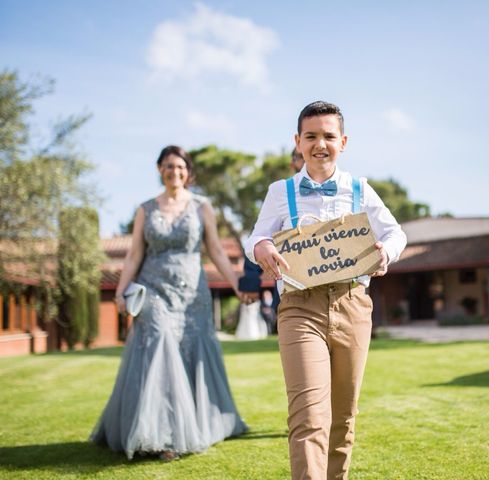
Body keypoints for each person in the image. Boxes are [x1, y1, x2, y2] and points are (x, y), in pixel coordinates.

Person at [245, 102, 407, 479]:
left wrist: (387, 253)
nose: (320, 144)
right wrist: (262, 248)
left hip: (352, 305)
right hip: (300, 309)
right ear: (298, 142)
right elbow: (257, 236)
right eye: (311, 136)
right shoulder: (279, 191)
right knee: (308, 417)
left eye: (329, 136)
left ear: (343, 142)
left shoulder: (360, 189)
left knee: (343, 417)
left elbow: (395, 233)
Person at [90, 145, 247, 461]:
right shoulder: (145, 209)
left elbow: (215, 250)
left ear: (188, 172)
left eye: (180, 167)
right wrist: (121, 292)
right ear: (159, 170)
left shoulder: (202, 207)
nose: (174, 172)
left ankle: (195, 426)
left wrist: (237, 284)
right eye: (168, 166)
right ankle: (161, 438)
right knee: (159, 346)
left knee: (190, 352)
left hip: (193, 295)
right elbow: (134, 253)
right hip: (153, 290)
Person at [238, 147, 305, 310]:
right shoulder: (281, 195)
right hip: (291, 287)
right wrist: (252, 281)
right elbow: (261, 235)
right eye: (300, 156)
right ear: (292, 163)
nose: (306, 159)